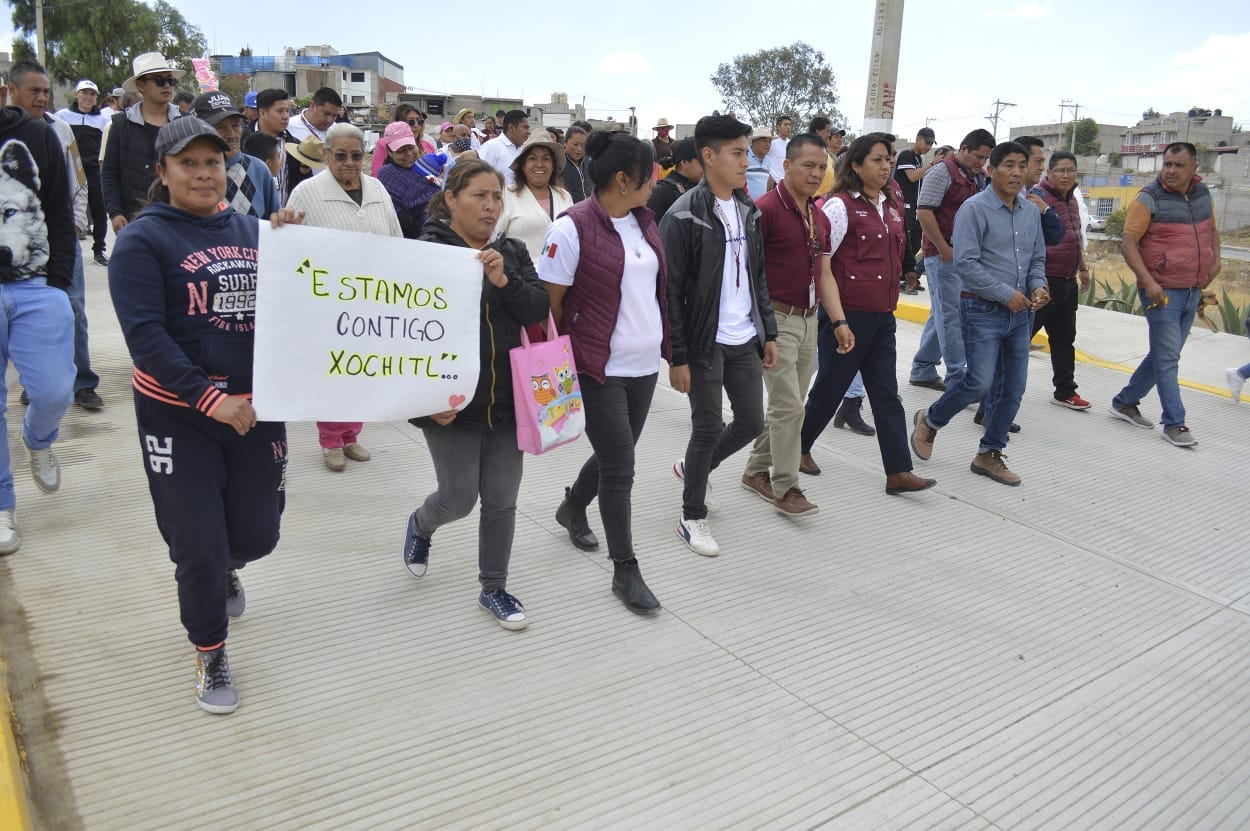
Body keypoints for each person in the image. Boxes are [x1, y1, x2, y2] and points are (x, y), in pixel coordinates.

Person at [108, 116, 301, 713]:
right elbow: (147, 338)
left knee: (258, 532)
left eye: (212, 162)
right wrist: (208, 398)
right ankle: (209, 648)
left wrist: (299, 247)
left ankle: (227, 567)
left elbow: (305, 308)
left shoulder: (256, 231)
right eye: (187, 163)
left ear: (229, 167)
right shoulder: (143, 240)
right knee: (197, 542)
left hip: (254, 410)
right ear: (163, 173)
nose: (201, 173)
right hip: (180, 414)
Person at [403, 159, 550, 630]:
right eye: (478, 196)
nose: (489, 207)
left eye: (496, 197)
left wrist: (504, 279)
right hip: (449, 406)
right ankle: (421, 525)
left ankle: (493, 587)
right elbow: (403, 333)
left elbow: (537, 308)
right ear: (451, 199)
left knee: (502, 500)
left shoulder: (511, 251)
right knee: (459, 498)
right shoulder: (426, 252)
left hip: (509, 402)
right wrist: (423, 400)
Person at [539, 132, 668, 614]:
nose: (655, 182)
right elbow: (549, 307)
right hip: (597, 367)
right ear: (622, 179)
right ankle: (625, 570)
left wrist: (672, 352)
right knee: (621, 468)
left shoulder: (644, 222)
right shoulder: (571, 229)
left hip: (643, 366)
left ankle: (572, 505)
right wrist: (559, 373)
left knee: (620, 454)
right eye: (650, 174)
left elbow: (656, 293)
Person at [662, 115, 778, 557]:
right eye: (737, 152)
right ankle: (692, 515)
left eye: (747, 151)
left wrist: (766, 330)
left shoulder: (749, 210)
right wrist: (678, 355)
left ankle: (695, 466)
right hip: (704, 340)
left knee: (750, 422)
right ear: (708, 157)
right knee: (707, 426)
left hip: (744, 336)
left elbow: (758, 277)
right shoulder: (683, 214)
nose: (746, 161)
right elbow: (670, 292)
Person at [797, 133, 936, 495]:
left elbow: (900, 247)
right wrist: (836, 318)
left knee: (886, 393)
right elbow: (820, 263)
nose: (886, 165)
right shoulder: (839, 206)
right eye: (877, 159)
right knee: (830, 387)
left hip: (881, 315)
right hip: (847, 316)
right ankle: (797, 447)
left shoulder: (891, 204)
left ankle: (898, 472)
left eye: (889, 159)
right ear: (856, 165)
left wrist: (907, 271)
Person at [909, 141, 1048, 486]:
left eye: (1022, 165)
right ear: (992, 171)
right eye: (1009, 165)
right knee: (978, 382)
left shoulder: (1030, 212)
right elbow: (965, 263)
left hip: (1021, 313)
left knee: (1013, 388)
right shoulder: (974, 209)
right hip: (982, 309)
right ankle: (930, 420)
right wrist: (1005, 295)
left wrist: (1038, 286)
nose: (1016, 172)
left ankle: (989, 453)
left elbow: (1036, 260)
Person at [740, 133, 853, 516]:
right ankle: (787, 487)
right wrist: (761, 327)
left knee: (789, 406)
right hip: (776, 321)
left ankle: (756, 469)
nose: (815, 173)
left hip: (809, 322)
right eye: (807, 165)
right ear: (785, 166)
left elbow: (824, 272)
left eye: (822, 167)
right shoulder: (765, 209)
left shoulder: (818, 214)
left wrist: (838, 320)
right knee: (789, 407)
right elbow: (746, 272)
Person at [287, 123, 402, 470]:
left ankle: (352, 435)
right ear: (325, 156)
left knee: (362, 372)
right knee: (334, 371)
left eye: (356, 155)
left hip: (373, 300)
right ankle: (330, 440)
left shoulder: (378, 188)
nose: (350, 163)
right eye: (340, 156)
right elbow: (290, 247)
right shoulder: (306, 192)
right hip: (329, 303)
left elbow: (395, 237)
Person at [0, 74, 77, 554]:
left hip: (35, 283)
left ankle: (39, 437)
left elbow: (58, 209)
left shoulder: (36, 134)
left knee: (53, 389)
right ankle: (2, 507)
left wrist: (59, 280)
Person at [1110, 142, 1219, 447]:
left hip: (1192, 288)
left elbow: (1211, 232)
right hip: (1161, 292)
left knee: (1164, 354)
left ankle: (1125, 401)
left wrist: (1216, 261)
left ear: (1194, 168)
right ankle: (1175, 423)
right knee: (1168, 358)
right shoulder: (1148, 198)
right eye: (1167, 164)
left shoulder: (1202, 194)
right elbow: (1128, 244)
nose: (1170, 171)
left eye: (1178, 165)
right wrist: (1148, 281)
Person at [907, 128, 996, 392]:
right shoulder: (941, 171)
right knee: (951, 317)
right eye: (978, 156)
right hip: (942, 256)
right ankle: (959, 378)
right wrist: (944, 249)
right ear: (964, 149)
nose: (981, 162)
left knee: (943, 313)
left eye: (986, 159)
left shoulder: (978, 177)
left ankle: (923, 369)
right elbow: (924, 212)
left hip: (966, 257)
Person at [1029, 150, 1090, 410]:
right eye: (1060, 170)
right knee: (1018, 339)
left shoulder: (1072, 199)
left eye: (1071, 170)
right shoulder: (1037, 197)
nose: (1066, 175)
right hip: (1045, 281)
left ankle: (1065, 391)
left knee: (1065, 339)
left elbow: (1074, 237)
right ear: (1049, 173)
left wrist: (1083, 268)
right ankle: (981, 385)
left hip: (1068, 281)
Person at [100, 52, 184, 232]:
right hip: (134, 219)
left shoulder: (184, 123)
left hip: (178, 217)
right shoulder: (121, 126)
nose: (167, 85)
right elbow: (109, 173)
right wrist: (115, 213)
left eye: (171, 80)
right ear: (141, 85)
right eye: (159, 81)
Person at [191, 92, 280, 219]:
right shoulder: (188, 174)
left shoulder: (258, 169)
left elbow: (273, 223)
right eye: (220, 127)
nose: (231, 135)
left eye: (236, 125)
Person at [55, 79, 111, 266]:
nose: (87, 97)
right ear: (76, 94)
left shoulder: (103, 120)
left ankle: (99, 250)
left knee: (99, 210)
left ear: (96, 97)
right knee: (64, 206)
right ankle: (63, 245)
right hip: (70, 168)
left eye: (92, 94)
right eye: (84, 93)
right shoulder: (62, 116)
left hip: (94, 170)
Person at [494, 134, 571, 262]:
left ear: (553, 166)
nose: (539, 164)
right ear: (522, 166)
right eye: (532, 158)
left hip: (560, 277)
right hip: (519, 277)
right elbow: (493, 239)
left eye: (546, 159)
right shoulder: (506, 195)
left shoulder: (564, 196)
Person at [375, 121, 444, 238]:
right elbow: (419, 196)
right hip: (407, 237)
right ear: (389, 153)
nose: (409, 154)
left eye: (411, 147)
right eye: (401, 151)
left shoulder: (425, 165)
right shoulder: (386, 173)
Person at [893, 127, 936, 294]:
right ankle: (901, 279)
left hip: (916, 207)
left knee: (916, 242)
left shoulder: (918, 159)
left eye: (931, 144)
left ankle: (909, 277)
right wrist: (932, 164)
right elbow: (912, 177)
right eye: (927, 142)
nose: (928, 147)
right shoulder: (907, 155)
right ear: (918, 139)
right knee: (906, 244)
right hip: (905, 207)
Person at [254, 88, 296, 202]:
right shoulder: (243, 142)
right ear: (262, 113)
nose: (286, 116)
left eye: (287, 111)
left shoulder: (294, 144)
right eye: (280, 111)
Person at [646, 137, 701, 221]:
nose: (706, 166)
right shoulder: (662, 192)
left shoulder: (704, 188)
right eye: (701, 161)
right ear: (684, 163)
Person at [478, 109, 531, 186]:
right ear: (511, 127)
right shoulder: (491, 147)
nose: (529, 132)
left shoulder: (523, 150)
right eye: (525, 127)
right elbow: (481, 180)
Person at [561, 125, 590, 203]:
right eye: (575, 144)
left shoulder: (588, 163)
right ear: (565, 143)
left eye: (582, 145)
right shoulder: (559, 164)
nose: (579, 149)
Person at [746, 126, 773, 200]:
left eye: (769, 141)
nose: (768, 144)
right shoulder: (744, 155)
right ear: (754, 141)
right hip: (745, 206)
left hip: (761, 207)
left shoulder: (768, 160)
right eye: (764, 141)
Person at [764, 114, 792, 183]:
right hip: (774, 182)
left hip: (787, 182)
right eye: (785, 125)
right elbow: (763, 158)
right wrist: (769, 175)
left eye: (789, 125)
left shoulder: (791, 143)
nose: (788, 127)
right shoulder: (772, 142)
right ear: (778, 127)